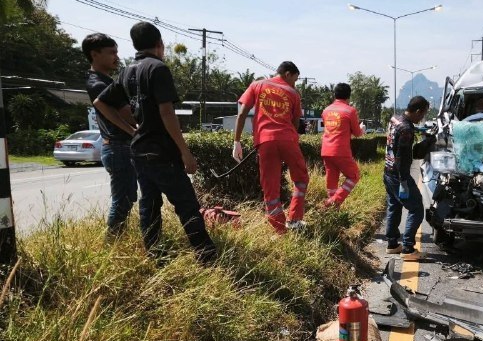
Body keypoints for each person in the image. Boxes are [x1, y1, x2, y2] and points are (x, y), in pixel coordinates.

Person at [94, 21, 217, 264]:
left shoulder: (126, 71)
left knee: (149, 206)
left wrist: (131, 130)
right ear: (160, 44)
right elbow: (167, 113)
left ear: (135, 44)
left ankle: (154, 256)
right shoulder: (158, 69)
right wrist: (185, 152)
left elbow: (100, 102)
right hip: (162, 151)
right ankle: (208, 258)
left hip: (139, 150)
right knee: (186, 205)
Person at [232, 61, 309, 234]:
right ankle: (295, 220)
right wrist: (291, 137)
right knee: (301, 179)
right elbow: (295, 122)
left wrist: (236, 141)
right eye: (294, 80)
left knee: (270, 187)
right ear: (287, 74)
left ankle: (279, 230)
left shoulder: (257, 85)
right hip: (288, 139)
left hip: (265, 141)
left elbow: (242, 113)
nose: (294, 84)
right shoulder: (293, 93)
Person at [82, 33, 138, 239]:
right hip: (117, 147)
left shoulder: (105, 80)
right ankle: (112, 241)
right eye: (111, 52)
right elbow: (128, 115)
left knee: (128, 196)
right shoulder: (98, 83)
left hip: (120, 146)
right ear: (94, 54)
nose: (116, 57)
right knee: (122, 199)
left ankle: (117, 237)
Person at [384, 96, 431, 261]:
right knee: (417, 208)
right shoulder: (406, 129)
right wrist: (404, 181)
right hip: (399, 175)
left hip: (387, 172)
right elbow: (401, 157)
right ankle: (408, 248)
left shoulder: (395, 118)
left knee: (394, 206)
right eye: (423, 114)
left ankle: (392, 244)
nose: (422, 118)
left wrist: (418, 131)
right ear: (418, 111)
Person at [321, 83, 365, 208]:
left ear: (334, 94)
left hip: (326, 150)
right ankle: (333, 201)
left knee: (332, 182)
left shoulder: (326, 110)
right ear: (348, 96)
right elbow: (357, 133)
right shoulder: (350, 111)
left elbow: (334, 128)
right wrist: (362, 128)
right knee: (354, 176)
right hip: (340, 151)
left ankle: (333, 210)